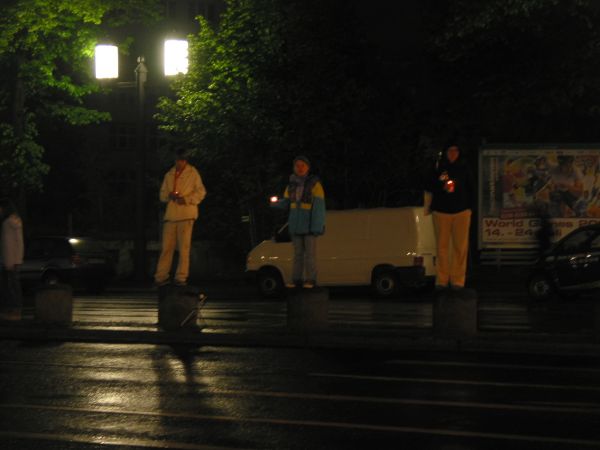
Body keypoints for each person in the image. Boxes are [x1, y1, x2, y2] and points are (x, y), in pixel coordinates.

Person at [424, 144, 475, 290]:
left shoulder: (465, 168)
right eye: (450, 150)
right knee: (442, 247)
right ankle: (442, 280)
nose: (453, 153)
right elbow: (428, 185)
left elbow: (472, 188)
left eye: (455, 150)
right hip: (441, 212)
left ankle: (458, 280)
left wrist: (470, 208)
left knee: (460, 247)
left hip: (461, 212)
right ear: (445, 152)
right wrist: (442, 187)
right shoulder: (439, 168)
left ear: (459, 152)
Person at [154, 148, 207, 287]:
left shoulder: (193, 173)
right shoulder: (169, 174)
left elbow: (201, 192)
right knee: (167, 248)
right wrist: (169, 195)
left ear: (185, 161)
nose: (179, 162)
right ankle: (161, 276)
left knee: (184, 248)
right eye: (178, 160)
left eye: (182, 160)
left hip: (186, 215)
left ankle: (181, 277)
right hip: (171, 216)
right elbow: (162, 195)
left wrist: (187, 199)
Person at [271, 155, 326, 288]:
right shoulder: (291, 185)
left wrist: (316, 226)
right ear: (294, 168)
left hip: (309, 226)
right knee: (298, 255)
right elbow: (287, 203)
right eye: (297, 166)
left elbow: (319, 208)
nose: (300, 168)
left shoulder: (315, 184)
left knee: (310, 255)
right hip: (295, 226)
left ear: (308, 168)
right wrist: (275, 203)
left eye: (303, 165)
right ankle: (297, 280)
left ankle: (311, 280)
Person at [0, 198, 24, 320]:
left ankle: (15, 310)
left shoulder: (9, 222)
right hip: (10, 260)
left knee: (12, 286)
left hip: (10, 260)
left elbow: (13, 243)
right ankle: (13, 310)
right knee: (10, 286)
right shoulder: (12, 222)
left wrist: (13, 261)